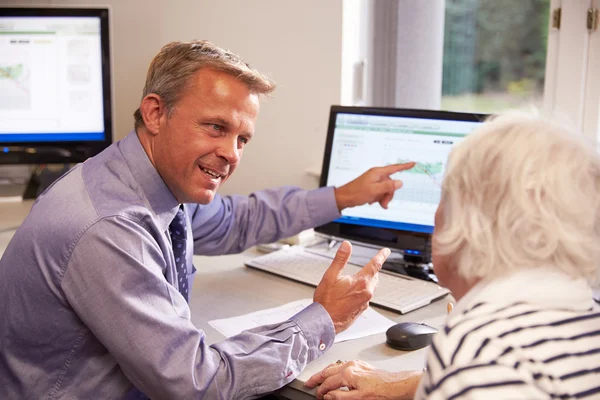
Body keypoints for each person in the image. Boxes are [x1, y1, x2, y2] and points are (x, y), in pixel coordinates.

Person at [0, 40, 415, 399]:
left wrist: (344, 196)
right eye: (216, 127)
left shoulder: (141, 181)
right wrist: (325, 318)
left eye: (242, 139)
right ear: (155, 113)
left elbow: (236, 221)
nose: (233, 153)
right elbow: (196, 384)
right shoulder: (109, 226)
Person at [305, 111, 600, 399]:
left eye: (444, 197)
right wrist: (416, 384)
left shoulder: (481, 353)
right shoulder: (587, 312)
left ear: (469, 225)